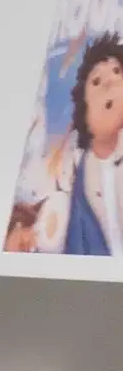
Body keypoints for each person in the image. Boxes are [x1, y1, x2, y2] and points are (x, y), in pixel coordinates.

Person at [15, 34, 123, 255]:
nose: (110, 82)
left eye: (117, 71)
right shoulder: (77, 179)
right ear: (84, 112)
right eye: (96, 81)